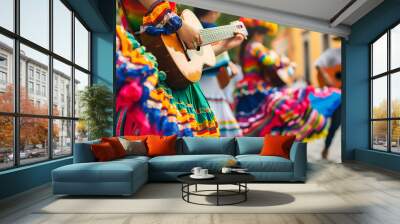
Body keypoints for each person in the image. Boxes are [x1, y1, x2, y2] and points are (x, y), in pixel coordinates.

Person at [116, 0, 243, 137]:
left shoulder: (172, 12)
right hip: (151, 78)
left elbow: (187, 58)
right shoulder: (171, 15)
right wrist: (179, 25)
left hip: (176, 85)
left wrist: (224, 46)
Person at [235, 18, 341, 141]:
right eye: (263, 34)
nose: (263, 38)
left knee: (258, 119)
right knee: (288, 106)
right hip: (257, 88)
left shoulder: (245, 48)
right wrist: (284, 62)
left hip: (247, 90)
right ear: (258, 33)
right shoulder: (255, 46)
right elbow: (269, 61)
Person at [193, 8, 243, 137]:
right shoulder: (214, 30)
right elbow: (217, 63)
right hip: (209, 86)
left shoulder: (189, 26)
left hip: (194, 83)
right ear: (214, 12)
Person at [314, 37, 342, 159]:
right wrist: (327, 78)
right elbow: (318, 64)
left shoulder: (353, 54)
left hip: (344, 96)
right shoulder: (333, 52)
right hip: (331, 95)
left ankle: (326, 148)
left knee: (336, 124)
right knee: (319, 121)